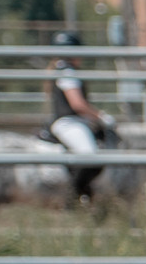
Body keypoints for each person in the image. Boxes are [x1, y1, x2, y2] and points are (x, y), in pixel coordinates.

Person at [46, 31, 107, 199]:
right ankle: (74, 198)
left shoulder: (63, 70)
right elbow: (78, 105)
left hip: (75, 121)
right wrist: (100, 116)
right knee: (90, 155)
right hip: (69, 123)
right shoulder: (67, 72)